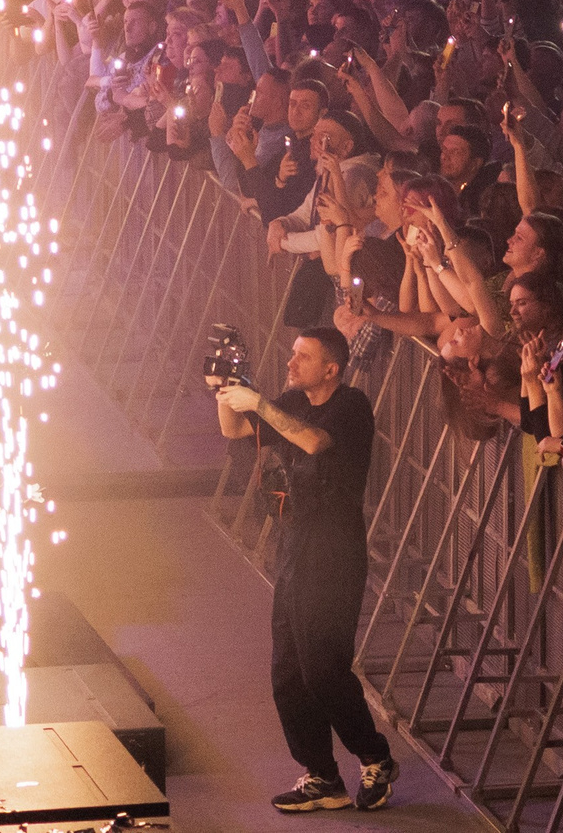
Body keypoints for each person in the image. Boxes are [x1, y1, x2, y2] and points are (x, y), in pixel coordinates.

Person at [213, 325, 400, 813]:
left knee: (323, 669)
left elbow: (316, 443)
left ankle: (375, 757)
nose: (291, 364)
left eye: (303, 357)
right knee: (288, 673)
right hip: (294, 548)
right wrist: (225, 389)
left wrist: (259, 403)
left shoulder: (351, 405)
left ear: (331, 369)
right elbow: (234, 430)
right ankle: (322, 775)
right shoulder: (290, 401)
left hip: (335, 554)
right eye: (292, 355)